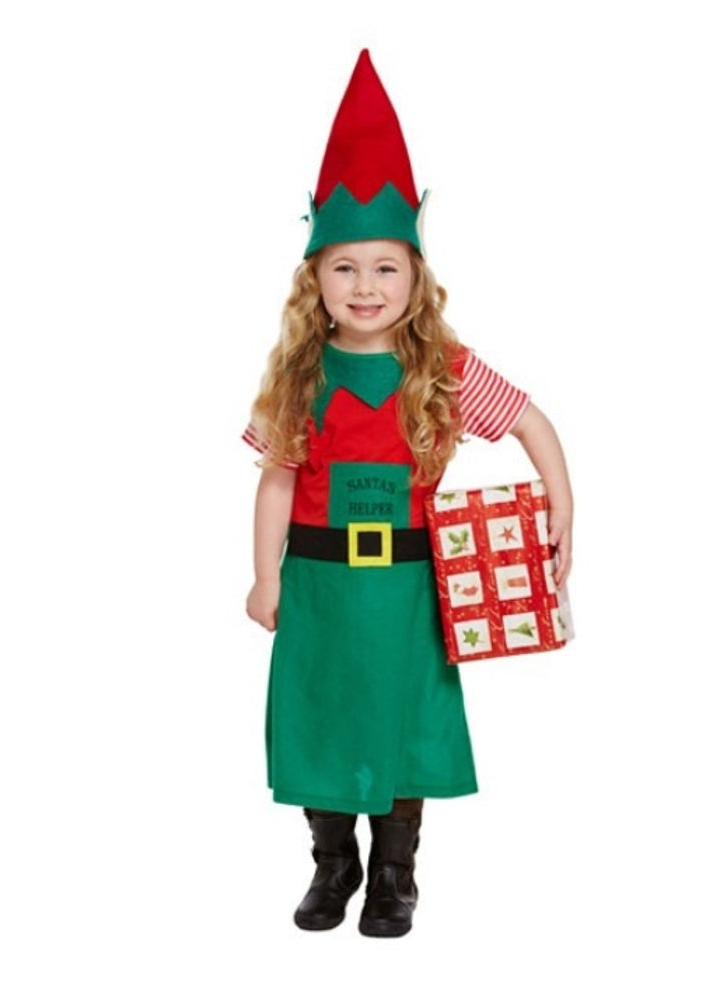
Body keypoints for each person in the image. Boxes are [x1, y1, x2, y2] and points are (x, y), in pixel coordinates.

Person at [243, 50, 573, 937]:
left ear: (416, 276)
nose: (365, 287)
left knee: (399, 720)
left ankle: (394, 874)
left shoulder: (443, 368)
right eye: (345, 268)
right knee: (321, 719)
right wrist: (266, 577)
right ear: (315, 279)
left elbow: (533, 422)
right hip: (320, 587)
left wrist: (562, 510)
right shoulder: (301, 373)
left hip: (411, 590)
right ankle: (333, 863)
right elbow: (277, 479)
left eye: (386, 268)